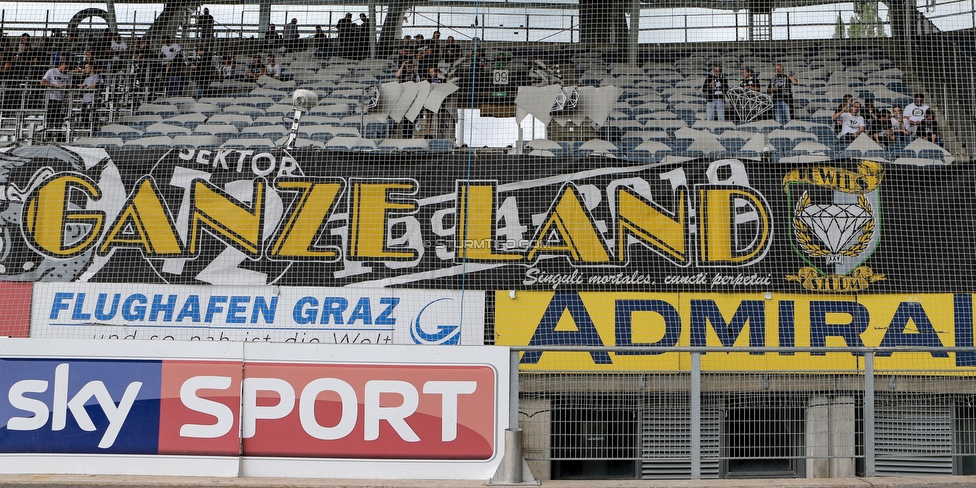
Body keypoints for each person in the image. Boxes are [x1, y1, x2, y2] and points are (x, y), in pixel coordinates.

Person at [40, 60, 71, 137]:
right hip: (52, 97)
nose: (66, 69)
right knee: (51, 117)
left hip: (61, 99)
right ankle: (48, 134)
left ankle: (58, 135)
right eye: (65, 67)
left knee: (59, 118)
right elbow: (42, 82)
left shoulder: (67, 75)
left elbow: (68, 87)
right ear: (61, 65)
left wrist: (67, 96)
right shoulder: (52, 71)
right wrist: (55, 86)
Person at [78, 62, 102, 130]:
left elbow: (93, 86)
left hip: (92, 99)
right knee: (83, 115)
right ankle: (87, 128)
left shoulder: (96, 76)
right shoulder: (86, 78)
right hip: (85, 100)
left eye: (86, 67)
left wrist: (85, 88)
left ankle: (92, 129)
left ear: (91, 68)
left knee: (91, 115)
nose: (85, 69)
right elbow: (81, 87)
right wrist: (82, 89)